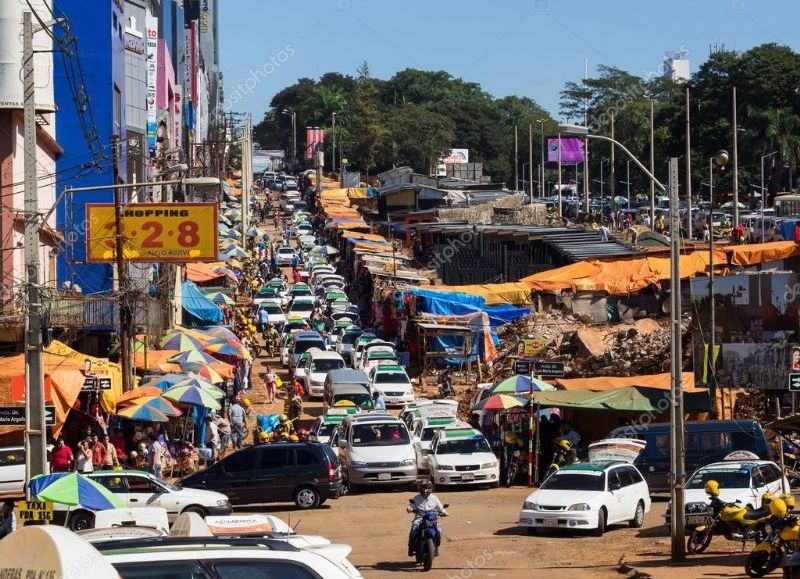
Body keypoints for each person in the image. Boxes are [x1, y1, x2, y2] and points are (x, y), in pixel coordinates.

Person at [407, 480, 447, 556]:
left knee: (439, 531)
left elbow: (441, 508)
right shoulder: (416, 498)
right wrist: (409, 509)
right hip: (420, 518)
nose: (425, 490)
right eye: (423, 488)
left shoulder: (434, 498)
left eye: (427, 487)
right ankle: (411, 547)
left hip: (432, 518)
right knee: (414, 528)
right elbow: (411, 506)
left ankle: (436, 547)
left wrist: (445, 512)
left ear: (430, 488)